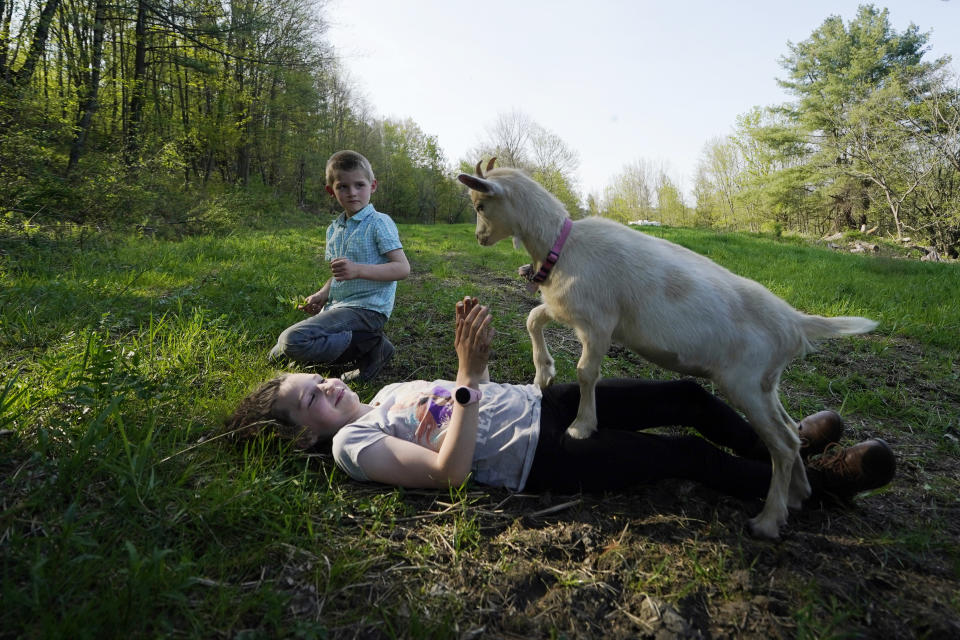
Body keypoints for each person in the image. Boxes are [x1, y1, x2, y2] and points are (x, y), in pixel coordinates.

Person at [236, 297, 895, 503]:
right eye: (309, 398)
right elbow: (448, 473)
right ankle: (817, 490)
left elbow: (474, 394)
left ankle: (782, 445)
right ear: (305, 436)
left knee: (687, 396)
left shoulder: (383, 394)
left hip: (548, 405)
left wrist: (491, 372)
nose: (324, 384)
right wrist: (468, 376)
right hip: (541, 456)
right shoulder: (353, 445)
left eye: (314, 379)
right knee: (685, 457)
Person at [270, 150, 410, 381]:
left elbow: (402, 269)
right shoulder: (334, 229)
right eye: (343, 187)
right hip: (338, 307)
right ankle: (349, 347)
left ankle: (373, 347)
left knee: (292, 341)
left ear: (372, 186)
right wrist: (323, 294)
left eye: (359, 185)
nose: (352, 193)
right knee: (275, 356)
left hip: (368, 310)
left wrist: (358, 270)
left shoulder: (379, 223)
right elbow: (338, 275)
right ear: (331, 191)